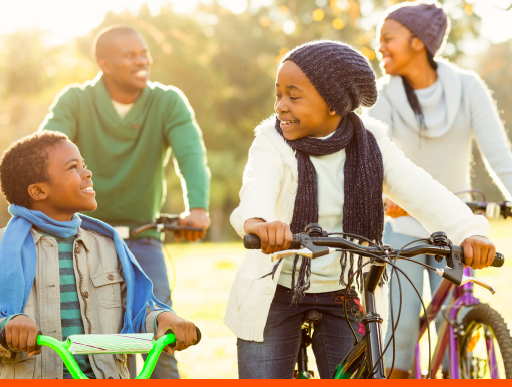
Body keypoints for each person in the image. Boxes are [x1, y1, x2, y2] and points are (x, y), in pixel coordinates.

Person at [223, 40, 497, 380]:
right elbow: (256, 186)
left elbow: (422, 190)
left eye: (293, 96)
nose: (280, 106)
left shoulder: (372, 144)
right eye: (278, 94)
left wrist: (469, 231)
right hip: (277, 292)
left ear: (334, 104)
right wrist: (260, 222)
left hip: (344, 290)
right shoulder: (271, 141)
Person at [39, 25, 211, 378]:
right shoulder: (76, 100)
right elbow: (44, 151)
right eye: (130, 55)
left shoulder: (166, 101)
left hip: (142, 236)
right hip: (79, 236)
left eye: (144, 53)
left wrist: (197, 208)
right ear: (105, 63)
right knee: (80, 337)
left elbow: (190, 154)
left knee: (161, 336)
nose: (142, 60)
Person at [368, 0, 512, 378]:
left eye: (388, 38)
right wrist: (385, 199)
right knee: (399, 337)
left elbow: (499, 156)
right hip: (401, 227)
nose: (378, 46)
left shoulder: (467, 87)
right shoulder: (381, 95)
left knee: (457, 323)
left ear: (418, 42)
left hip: (456, 224)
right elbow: (375, 158)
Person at [0, 131, 198, 379]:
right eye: (73, 167)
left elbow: (136, 312)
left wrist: (164, 318)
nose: (87, 172)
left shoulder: (109, 246)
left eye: (84, 164)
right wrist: (7, 327)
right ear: (39, 191)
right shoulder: (4, 250)